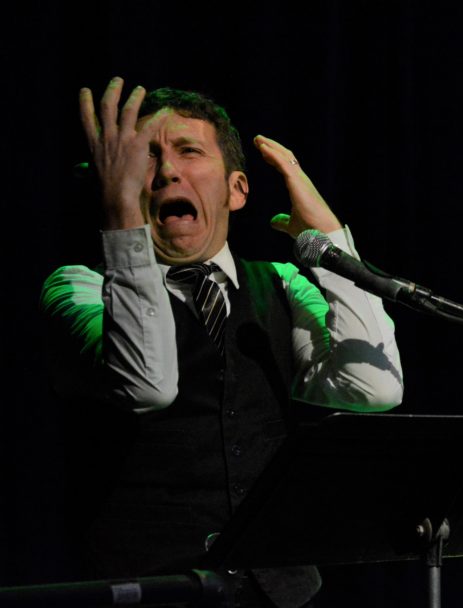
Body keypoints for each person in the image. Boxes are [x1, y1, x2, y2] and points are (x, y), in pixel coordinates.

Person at [41, 78, 403, 606]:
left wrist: (328, 239)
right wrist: (122, 219)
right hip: (147, 590)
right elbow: (147, 387)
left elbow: (371, 388)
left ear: (236, 190)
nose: (166, 171)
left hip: (278, 593)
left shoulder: (282, 284)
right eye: (145, 157)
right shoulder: (78, 289)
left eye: (188, 151)